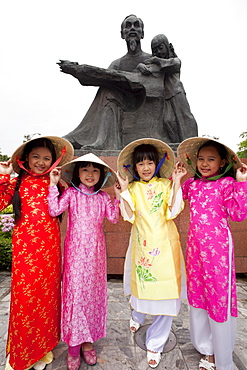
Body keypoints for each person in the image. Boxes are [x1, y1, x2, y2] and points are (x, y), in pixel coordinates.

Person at [0, 136, 74, 370]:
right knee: (25, 299)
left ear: (54, 161)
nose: (41, 162)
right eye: (36, 157)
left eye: (46, 158)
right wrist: (3, 175)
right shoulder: (17, 183)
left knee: (47, 298)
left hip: (50, 252)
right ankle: (22, 352)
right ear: (26, 160)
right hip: (25, 253)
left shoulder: (57, 185)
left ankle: (42, 349)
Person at [177, 137, 247, 370]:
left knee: (218, 299)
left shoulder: (227, 184)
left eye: (211, 159)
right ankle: (205, 347)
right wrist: (175, 179)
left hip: (218, 251)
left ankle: (220, 353)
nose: (204, 164)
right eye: (200, 159)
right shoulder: (192, 185)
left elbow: (238, 215)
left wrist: (242, 183)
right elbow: (175, 201)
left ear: (223, 162)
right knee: (198, 295)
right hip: (195, 250)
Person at [116, 138, 186, 368]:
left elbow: (174, 211)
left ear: (156, 164)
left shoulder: (166, 185)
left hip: (166, 248)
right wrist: (124, 192)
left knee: (166, 296)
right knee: (143, 289)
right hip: (143, 247)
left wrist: (176, 182)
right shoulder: (134, 188)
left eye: (150, 162)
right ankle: (137, 315)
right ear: (134, 168)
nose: (145, 167)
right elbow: (128, 215)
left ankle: (155, 343)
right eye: (140, 164)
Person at [47, 153, 121, 369]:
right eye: (85, 169)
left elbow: (114, 218)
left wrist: (118, 195)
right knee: (76, 296)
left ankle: (88, 342)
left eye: (95, 170)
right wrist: (53, 184)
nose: (90, 174)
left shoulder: (103, 198)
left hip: (97, 256)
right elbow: (54, 210)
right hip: (75, 255)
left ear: (101, 175)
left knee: (92, 296)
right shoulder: (71, 194)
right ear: (77, 173)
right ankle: (73, 345)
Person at [136, 34, 198, 143]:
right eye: (155, 50)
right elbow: (148, 67)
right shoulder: (157, 62)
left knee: (184, 118)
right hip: (165, 97)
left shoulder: (175, 61)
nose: (159, 52)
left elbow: (167, 65)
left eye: (161, 48)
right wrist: (140, 66)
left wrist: (155, 59)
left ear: (167, 46)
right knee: (168, 121)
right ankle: (177, 144)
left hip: (177, 93)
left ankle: (191, 143)